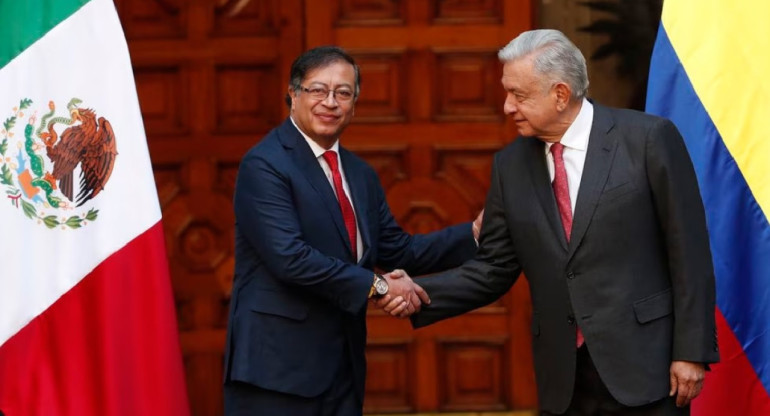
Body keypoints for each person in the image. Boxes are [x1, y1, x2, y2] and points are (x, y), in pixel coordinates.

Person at [378, 29, 719, 415]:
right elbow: (493, 268)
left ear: (560, 94)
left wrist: (690, 352)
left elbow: (688, 253)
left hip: (648, 367)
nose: (507, 107)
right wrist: (417, 292)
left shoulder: (647, 140)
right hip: (565, 377)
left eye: (518, 95)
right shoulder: (510, 165)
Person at [222, 45, 481, 416]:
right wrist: (379, 287)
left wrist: (473, 234)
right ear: (292, 95)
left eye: (343, 93)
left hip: (341, 368)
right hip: (276, 371)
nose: (330, 102)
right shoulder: (264, 165)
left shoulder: (359, 174)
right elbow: (290, 259)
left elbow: (399, 250)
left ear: (354, 105)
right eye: (317, 90)